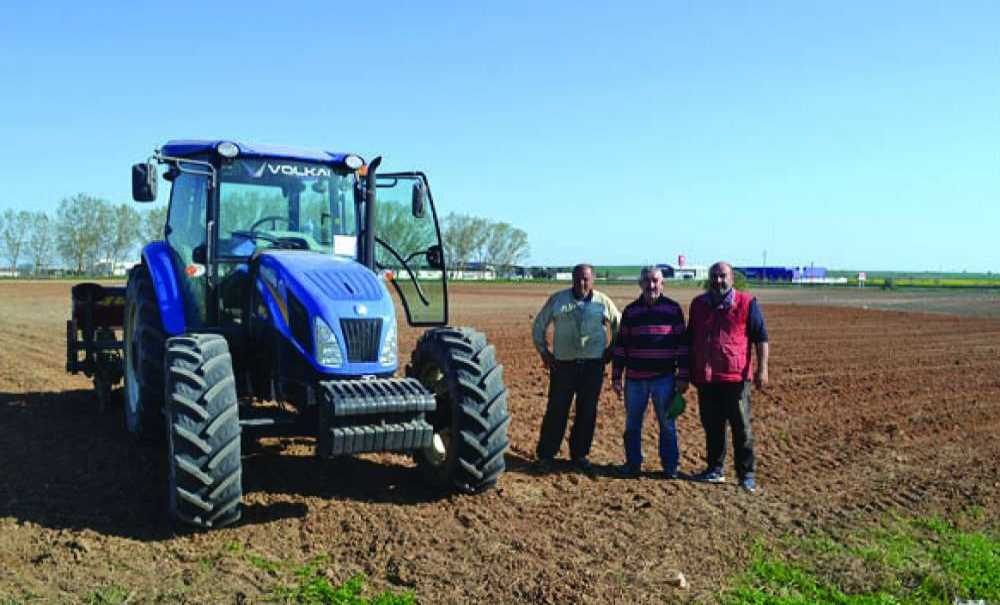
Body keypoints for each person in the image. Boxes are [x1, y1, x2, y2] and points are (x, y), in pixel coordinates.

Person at [687, 261, 769, 493]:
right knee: (712, 426)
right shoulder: (698, 304)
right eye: (714, 276)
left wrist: (762, 369)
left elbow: (761, 338)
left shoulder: (746, 303)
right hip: (707, 378)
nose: (718, 280)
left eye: (723, 276)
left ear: (732, 278)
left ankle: (746, 474)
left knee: (741, 427)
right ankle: (715, 469)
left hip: (736, 379)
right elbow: (690, 338)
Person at [532, 264, 621, 475]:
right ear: (572, 279)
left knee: (587, 412)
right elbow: (538, 326)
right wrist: (545, 353)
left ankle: (580, 455)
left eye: (586, 279)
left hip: (593, 366)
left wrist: (612, 349)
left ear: (593, 280)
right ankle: (546, 455)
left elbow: (619, 324)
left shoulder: (603, 302)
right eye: (578, 279)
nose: (582, 283)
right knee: (556, 410)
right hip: (563, 366)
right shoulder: (558, 300)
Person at [611, 266, 689, 478]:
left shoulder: (673, 310)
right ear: (640, 284)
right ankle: (633, 463)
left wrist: (683, 375)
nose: (651, 285)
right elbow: (621, 345)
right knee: (632, 424)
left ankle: (670, 467)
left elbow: (682, 345)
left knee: (667, 424)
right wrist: (616, 376)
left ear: (662, 284)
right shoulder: (630, 311)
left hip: (664, 379)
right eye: (647, 281)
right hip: (635, 380)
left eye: (655, 281)